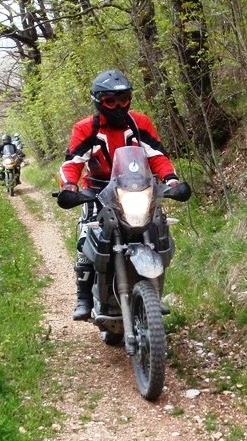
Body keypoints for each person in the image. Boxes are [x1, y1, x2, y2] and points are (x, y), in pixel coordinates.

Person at [58, 70, 180, 321]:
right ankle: (83, 296)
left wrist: (171, 180)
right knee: (86, 236)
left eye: (123, 99)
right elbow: (73, 162)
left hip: (137, 187)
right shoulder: (85, 128)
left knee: (159, 230)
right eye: (111, 101)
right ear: (99, 102)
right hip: (97, 191)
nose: (118, 106)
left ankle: (153, 295)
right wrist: (70, 187)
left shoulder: (140, 123)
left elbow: (156, 155)